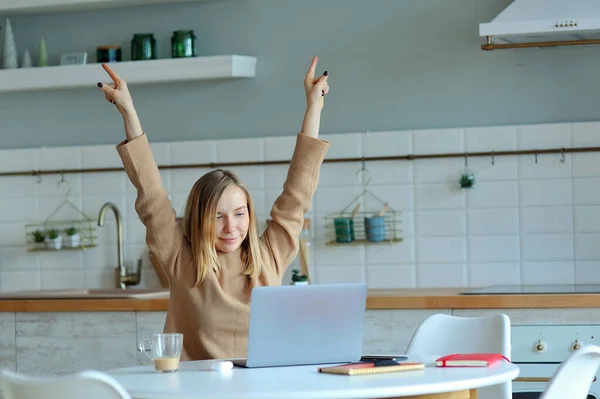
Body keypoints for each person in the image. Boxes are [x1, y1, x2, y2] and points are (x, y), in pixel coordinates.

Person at [97, 56, 331, 361]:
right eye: (217, 216)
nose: (231, 227)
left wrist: (314, 108)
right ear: (198, 219)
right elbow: (150, 192)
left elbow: (298, 194)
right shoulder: (181, 258)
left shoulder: (269, 255)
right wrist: (128, 111)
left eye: (239, 213)